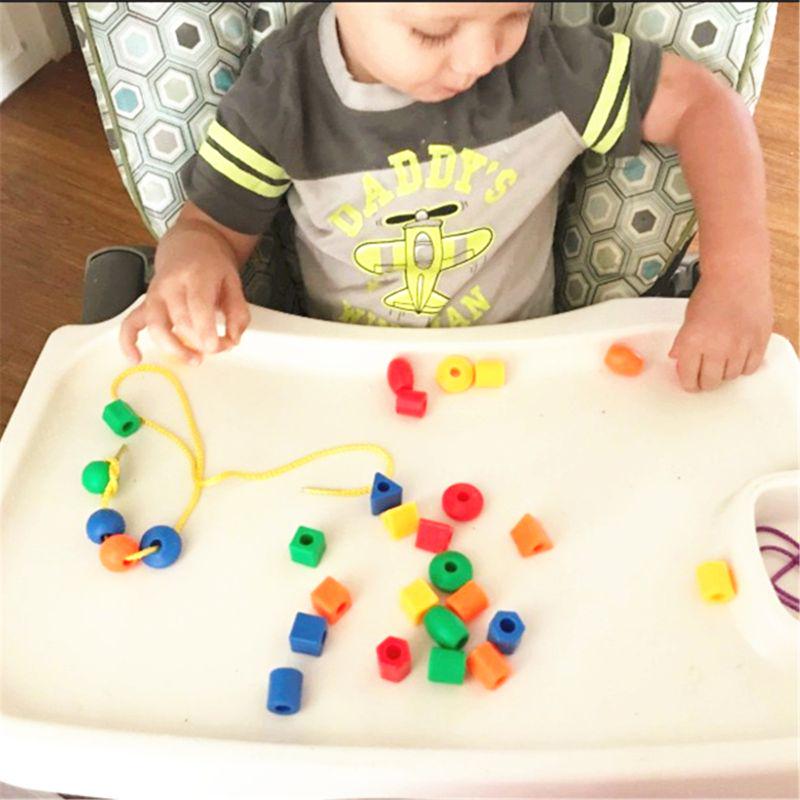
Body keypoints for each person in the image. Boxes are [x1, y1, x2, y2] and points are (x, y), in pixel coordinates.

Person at [119, 2, 773, 393]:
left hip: (525, 374)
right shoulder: (283, 97)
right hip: (345, 379)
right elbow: (211, 228)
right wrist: (188, 267)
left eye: (513, 13)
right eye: (434, 32)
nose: (481, 57)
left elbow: (704, 105)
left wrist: (737, 275)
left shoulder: (548, 69)